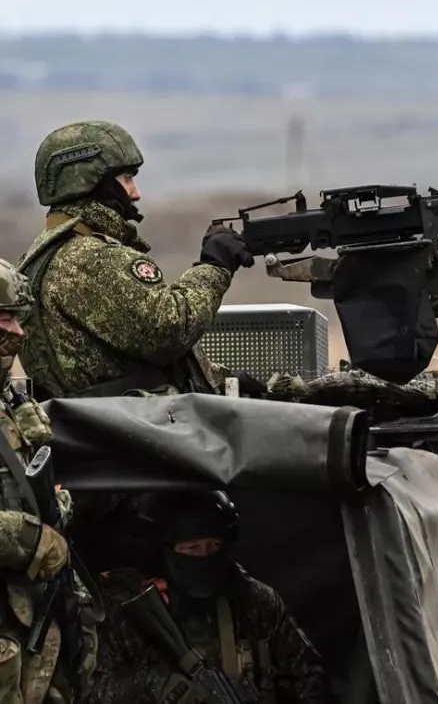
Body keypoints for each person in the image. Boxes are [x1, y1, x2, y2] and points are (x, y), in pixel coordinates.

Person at [16, 120, 261, 400]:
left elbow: (124, 360)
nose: (136, 192)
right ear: (92, 182)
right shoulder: (90, 258)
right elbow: (170, 331)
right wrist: (215, 266)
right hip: (130, 423)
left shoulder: (48, 252)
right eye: (127, 179)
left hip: (108, 418)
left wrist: (222, 381)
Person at [82, 490, 333, 703]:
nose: (204, 556)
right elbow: (90, 691)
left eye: (214, 545)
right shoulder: (126, 610)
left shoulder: (256, 601)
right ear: (164, 550)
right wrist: (154, 683)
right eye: (192, 548)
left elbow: (310, 679)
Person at [0, 259, 98, 703]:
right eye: (5, 319)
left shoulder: (11, 400)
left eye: (17, 319)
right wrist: (31, 538)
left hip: (31, 621)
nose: (17, 332)